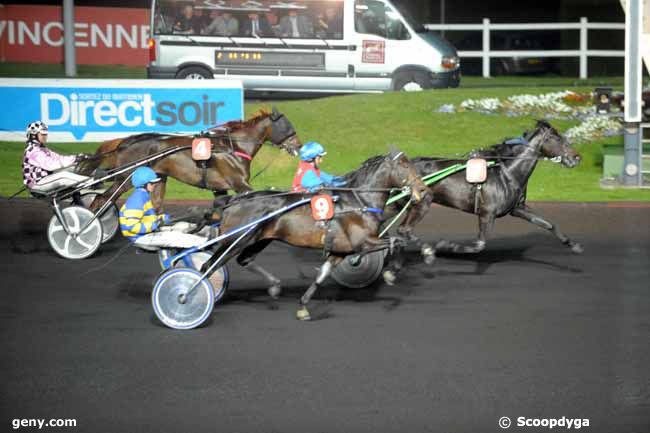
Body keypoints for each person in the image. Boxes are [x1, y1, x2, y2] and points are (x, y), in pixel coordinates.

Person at [119, 167, 206, 250]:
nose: (155, 185)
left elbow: (148, 218)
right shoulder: (137, 200)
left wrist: (165, 218)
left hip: (146, 233)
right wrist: (155, 225)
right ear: (144, 184)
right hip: (140, 237)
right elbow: (131, 226)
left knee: (183, 227)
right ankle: (204, 243)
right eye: (152, 183)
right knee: (180, 238)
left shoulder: (143, 195)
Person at [22, 121, 89, 194]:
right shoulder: (33, 151)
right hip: (36, 184)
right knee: (63, 176)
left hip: (44, 179)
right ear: (33, 135)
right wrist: (75, 159)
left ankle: (94, 173)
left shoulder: (42, 148)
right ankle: (90, 182)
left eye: (46, 134)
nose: (45, 136)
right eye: (43, 134)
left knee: (72, 167)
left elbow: (59, 158)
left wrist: (78, 157)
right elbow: (51, 165)